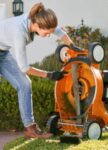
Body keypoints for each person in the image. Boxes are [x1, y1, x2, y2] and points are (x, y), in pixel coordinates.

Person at [0, 2, 75, 139]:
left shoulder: (38, 18)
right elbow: (25, 68)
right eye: (47, 33)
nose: (48, 36)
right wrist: (49, 75)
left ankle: (30, 129)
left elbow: (58, 31)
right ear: (38, 26)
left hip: (3, 53)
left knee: (24, 84)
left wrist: (72, 46)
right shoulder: (20, 33)